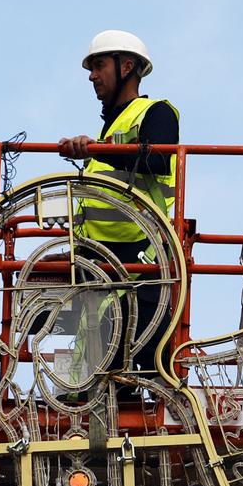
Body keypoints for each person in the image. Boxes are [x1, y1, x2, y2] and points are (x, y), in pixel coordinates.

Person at [55, 29, 179, 373]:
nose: (92, 76)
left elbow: (158, 160)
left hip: (142, 264)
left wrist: (99, 151)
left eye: (98, 66)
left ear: (126, 66)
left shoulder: (156, 112)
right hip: (104, 266)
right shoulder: (107, 134)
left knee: (144, 368)